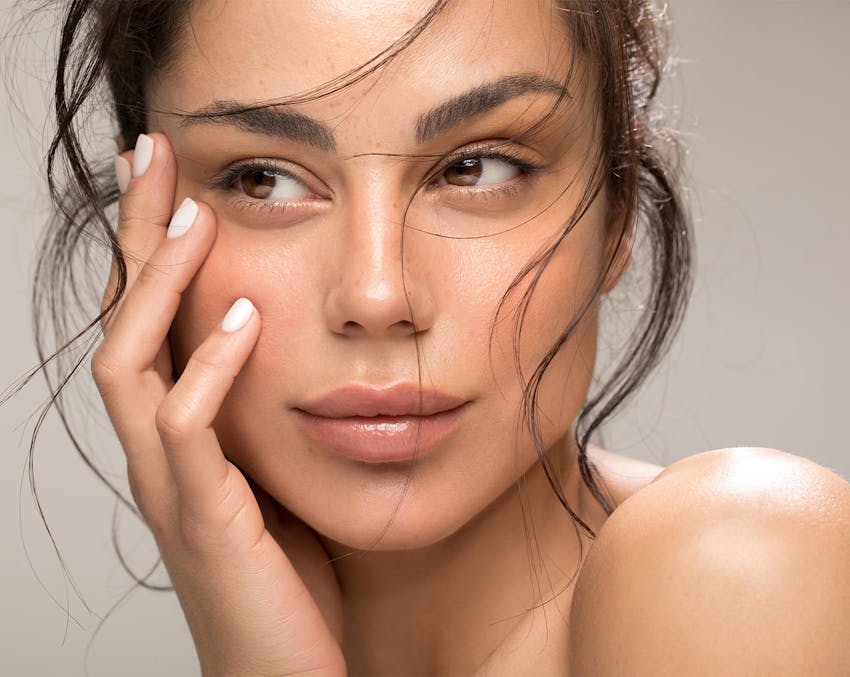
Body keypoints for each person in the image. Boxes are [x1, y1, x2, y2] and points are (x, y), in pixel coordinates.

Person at [18, 0, 850, 674]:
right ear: (149, 228)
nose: (378, 295)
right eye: (262, 179)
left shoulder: (739, 562)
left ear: (619, 211)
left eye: (475, 168)